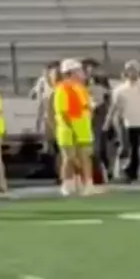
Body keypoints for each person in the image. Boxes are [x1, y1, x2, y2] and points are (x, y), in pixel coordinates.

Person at [51, 58, 95, 195]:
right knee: (68, 158)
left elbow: (87, 108)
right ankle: (67, 184)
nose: (82, 73)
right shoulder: (62, 89)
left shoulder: (81, 89)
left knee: (85, 157)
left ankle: (87, 183)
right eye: (78, 71)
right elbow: (63, 112)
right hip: (68, 130)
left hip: (82, 129)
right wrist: (72, 129)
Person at [110, 60, 140, 181]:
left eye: (134, 69)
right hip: (130, 123)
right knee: (131, 149)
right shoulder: (120, 90)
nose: (132, 72)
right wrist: (109, 123)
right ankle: (130, 173)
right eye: (129, 70)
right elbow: (115, 108)